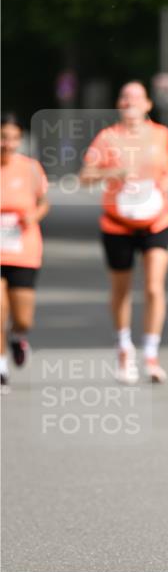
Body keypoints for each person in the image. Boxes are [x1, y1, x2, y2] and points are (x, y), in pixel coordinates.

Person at [80, 82, 168, 384]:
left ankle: (151, 353)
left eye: (135, 98)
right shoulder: (108, 138)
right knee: (122, 290)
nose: (129, 102)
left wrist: (161, 196)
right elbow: (85, 177)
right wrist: (112, 173)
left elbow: (166, 171)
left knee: (154, 287)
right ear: (119, 104)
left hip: (156, 221)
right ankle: (123, 348)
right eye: (124, 97)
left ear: (147, 104)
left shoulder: (161, 134)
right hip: (117, 223)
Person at [0, 113, 50, 394]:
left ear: (19, 140)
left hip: (23, 250)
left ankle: (18, 337)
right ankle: (1, 367)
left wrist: (34, 216)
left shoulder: (30, 168)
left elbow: (44, 203)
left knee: (22, 318)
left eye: (12, 137)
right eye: (2, 137)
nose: (6, 143)